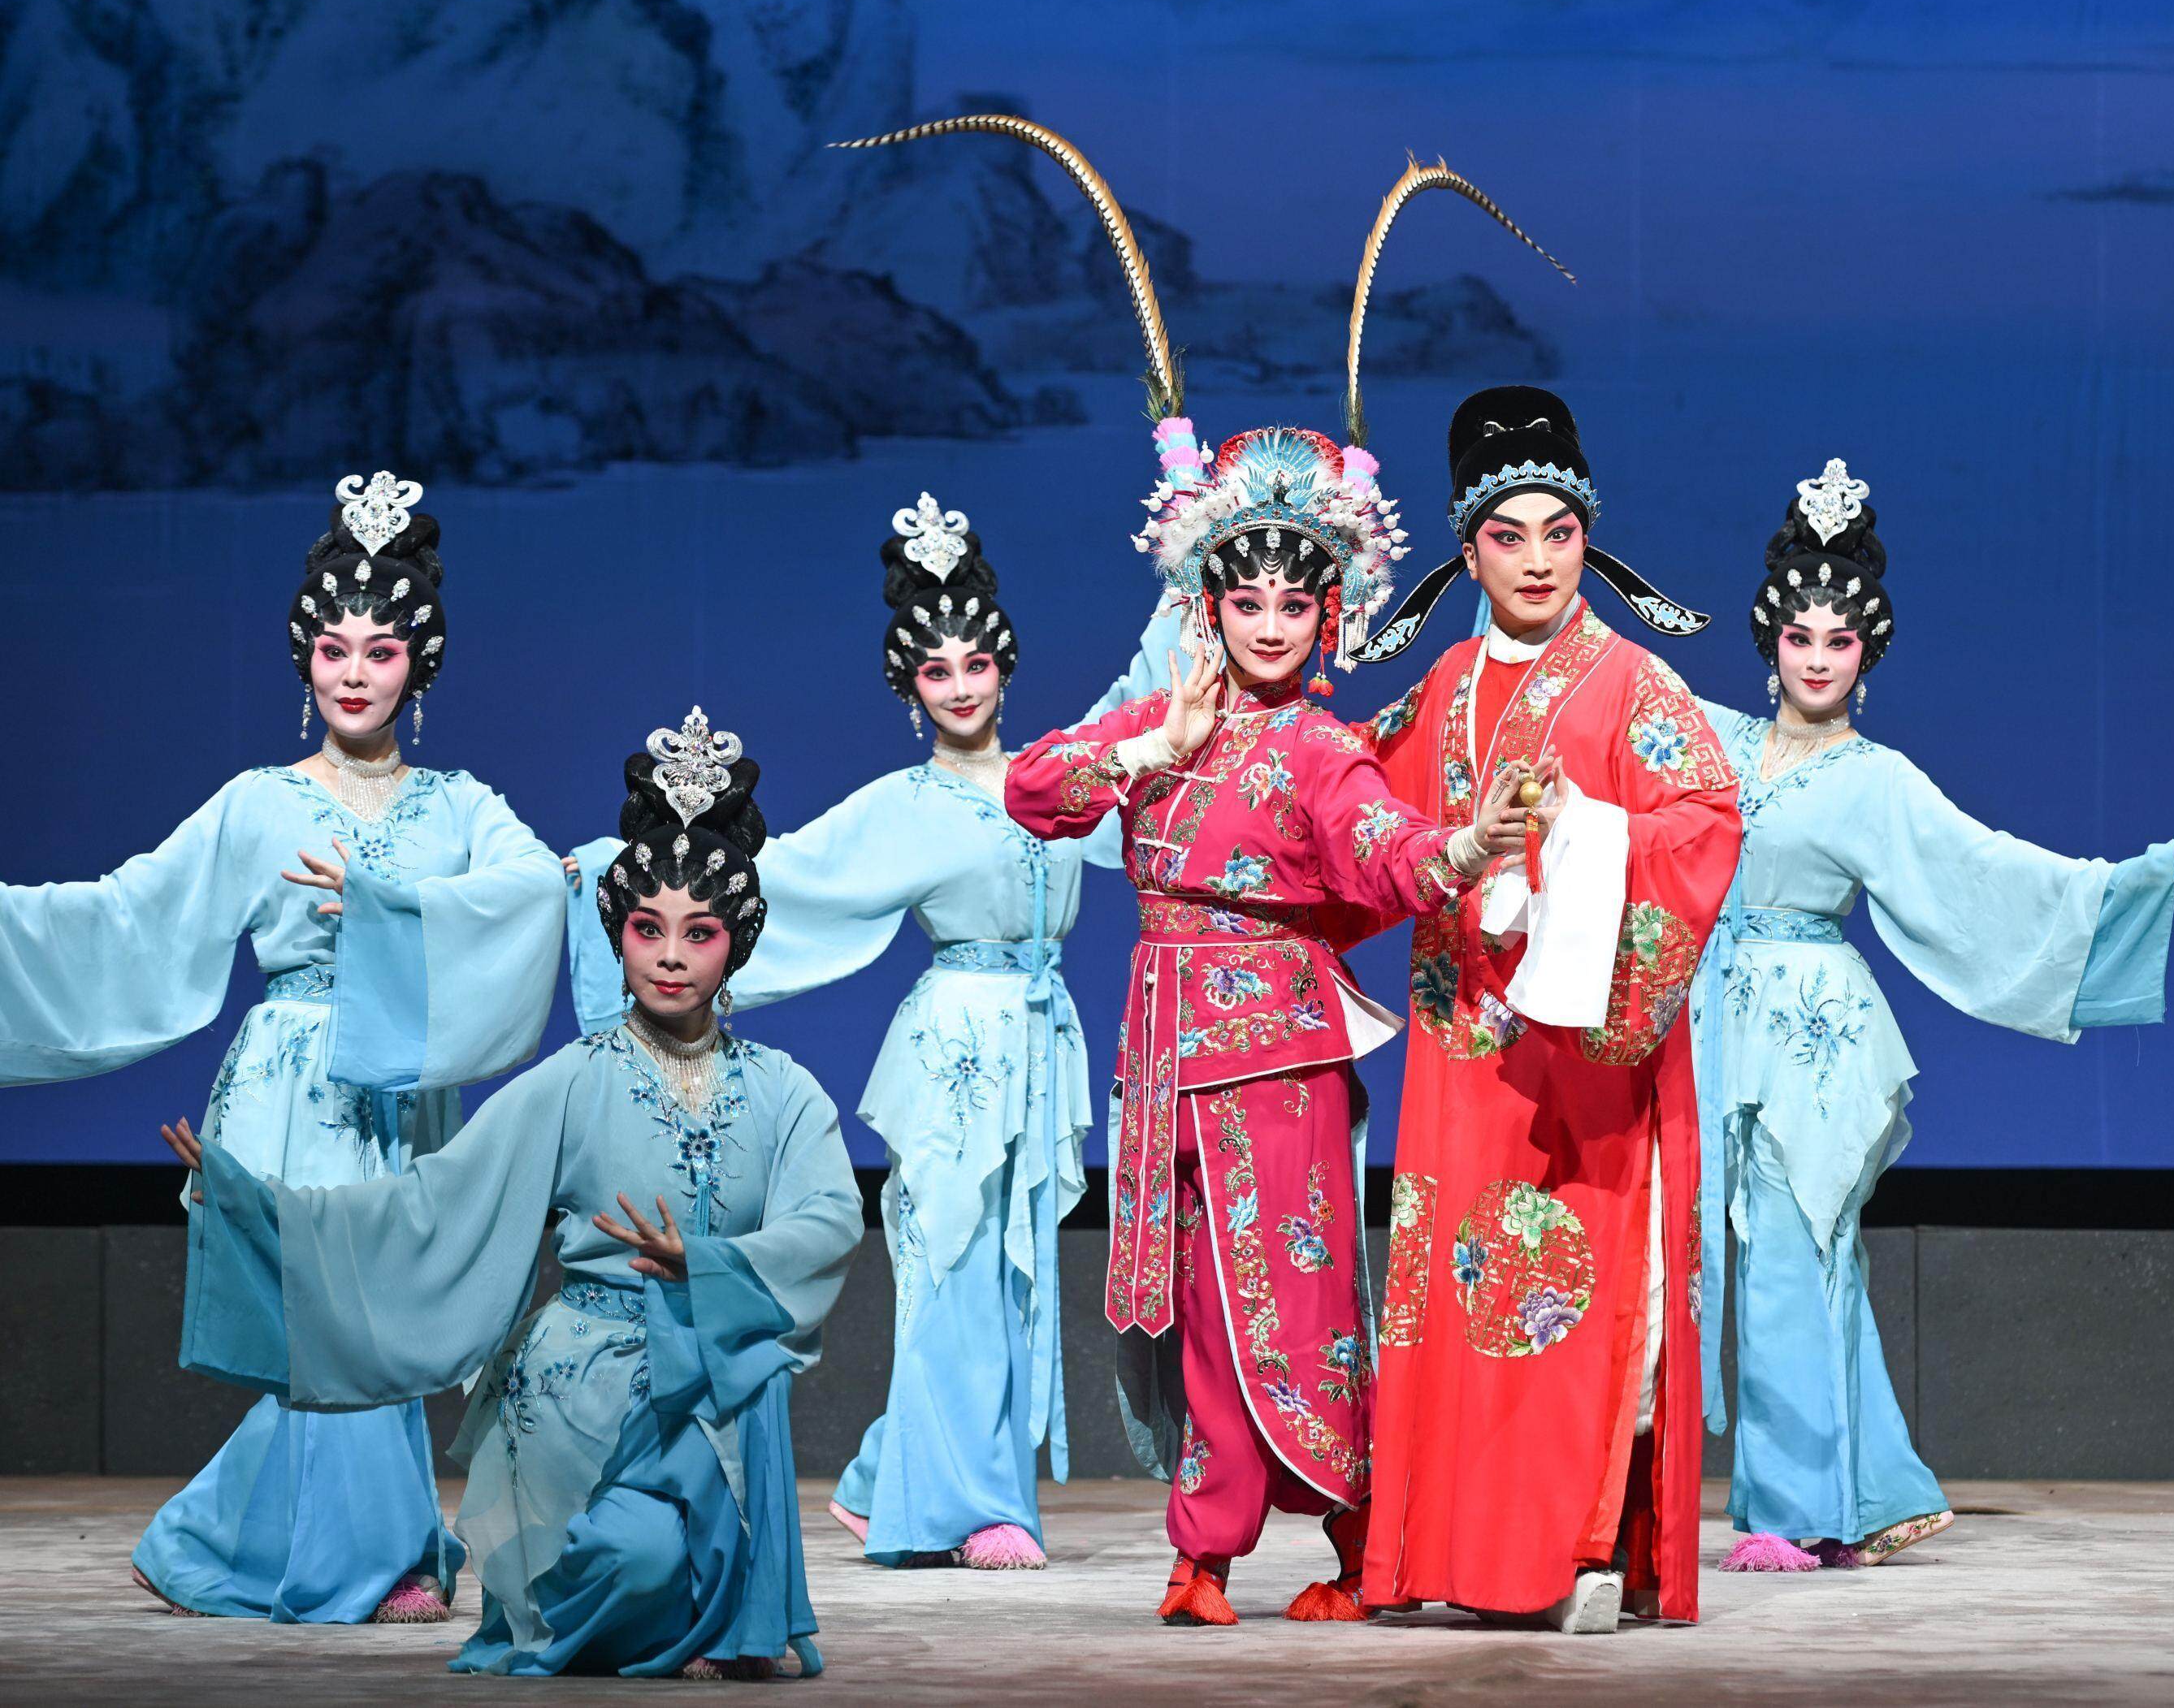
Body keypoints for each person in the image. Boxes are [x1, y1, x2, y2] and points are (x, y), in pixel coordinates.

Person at [171, 711, 863, 1678]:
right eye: (646, 928)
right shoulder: (572, 1080)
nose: (670, 955)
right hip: (585, 1399)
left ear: (735, 945)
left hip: (719, 1387)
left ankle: (710, 1608)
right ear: (617, 936)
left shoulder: (784, 1090)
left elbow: (830, 1217)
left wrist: (708, 1265)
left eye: (699, 932)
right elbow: (430, 1202)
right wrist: (260, 1205)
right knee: (630, 1561)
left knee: (692, 1544)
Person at [559, 494, 1174, 1571]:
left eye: (975, 663)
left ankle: (890, 1475)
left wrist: (1190, 581)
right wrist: (619, 874)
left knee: (1009, 1277)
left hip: (1043, 1045)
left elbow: (1143, 703)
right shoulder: (904, 803)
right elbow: (781, 877)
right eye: (936, 671)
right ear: (910, 687)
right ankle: (969, 1506)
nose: (961, 686)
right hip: (955, 1050)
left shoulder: (1058, 773)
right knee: (955, 1271)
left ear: (1005, 666)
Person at [0, 472, 564, 1626]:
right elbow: (127, 916)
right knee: (336, 1317)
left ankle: (225, 1535)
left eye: (382, 651)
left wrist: (394, 912)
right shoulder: (257, 803)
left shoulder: (461, 802)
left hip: (400, 1082)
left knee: (375, 1311)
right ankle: (381, 1553)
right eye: (333, 649)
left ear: (419, 665)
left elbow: (531, 887)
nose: (354, 673)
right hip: (298, 1080)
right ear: (305, 658)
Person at [1007, 415, 1524, 1627]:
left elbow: (1386, 852)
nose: (1273, 625)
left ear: (1328, 616)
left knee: (1297, 1302)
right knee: (1196, 1307)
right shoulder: (1161, 723)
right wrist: (1160, 744)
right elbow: (1032, 788)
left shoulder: (1320, 746)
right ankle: (1204, 1553)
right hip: (1163, 1054)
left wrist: (1462, 846)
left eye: (1297, 604)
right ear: (1211, 607)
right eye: (1249, 602)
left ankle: (1361, 1542)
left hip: (1279, 1062)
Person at [1691, 460, 2174, 1572]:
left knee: (1795, 1255)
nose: (1816, 659)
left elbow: (1983, 867)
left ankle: (1792, 1508)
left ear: (1865, 654)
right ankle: (1860, 1493)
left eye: (1839, 641)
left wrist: (2120, 887)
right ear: (1769, 640)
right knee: (1712, 1256)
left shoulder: (1878, 779)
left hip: (1810, 1036)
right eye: (1799, 636)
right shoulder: (1708, 741)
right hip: (1704, 1023)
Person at [1357, 370, 1744, 1632]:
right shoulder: (1438, 689)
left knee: (1567, 1302)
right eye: (1508, 535)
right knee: (1456, 1302)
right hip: (1461, 1048)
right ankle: (1440, 1556)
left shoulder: (1633, 684)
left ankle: (1576, 1555)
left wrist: (1589, 832)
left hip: (1583, 1056)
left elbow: (1706, 825)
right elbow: (1355, 818)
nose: (1537, 560)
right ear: (1468, 549)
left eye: (1560, 532)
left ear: (1589, 537)